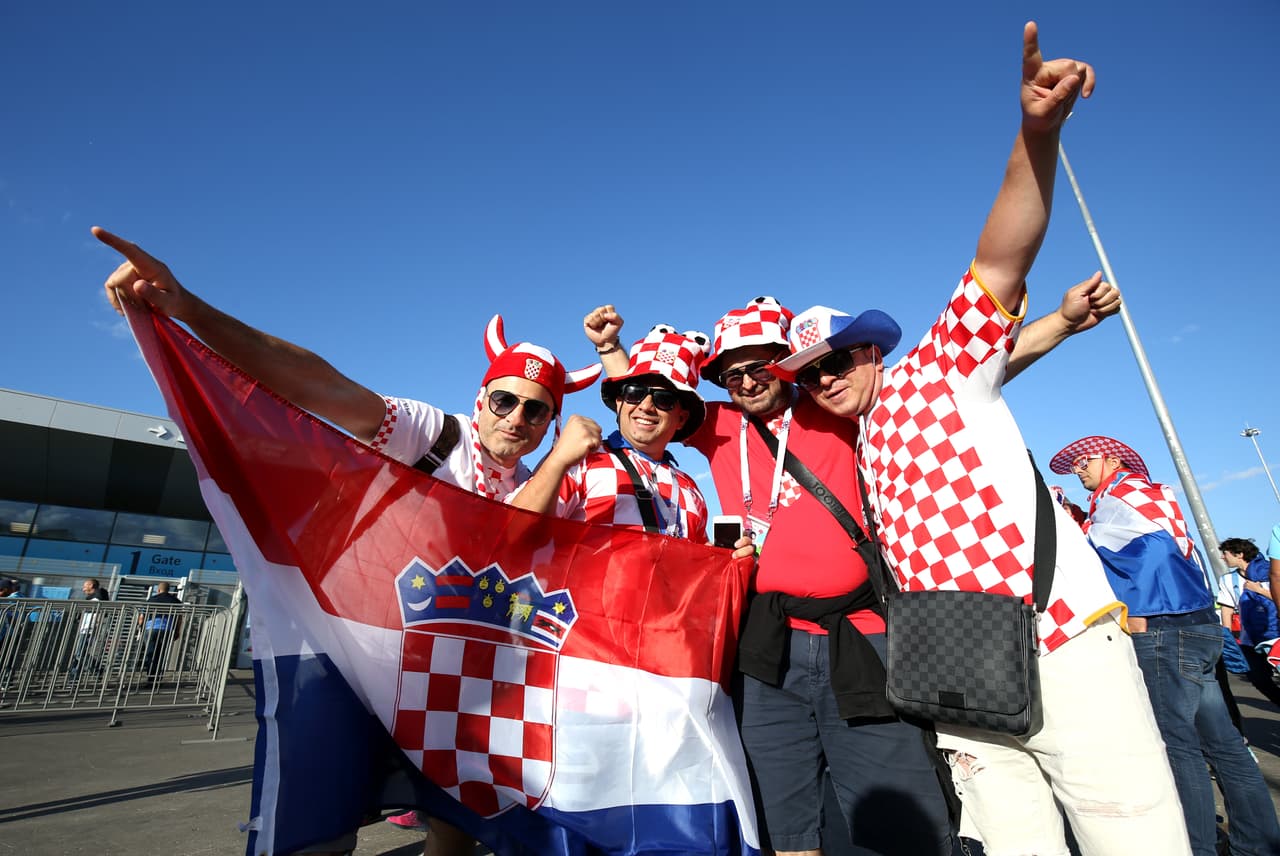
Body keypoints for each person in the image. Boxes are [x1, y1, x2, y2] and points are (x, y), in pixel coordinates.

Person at [766, 23, 1192, 855]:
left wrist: (1037, 132)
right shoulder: (858, 436)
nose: (824, 380)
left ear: (871, 349)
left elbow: (1001, 257)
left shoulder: (937, 368)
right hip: (957, 669)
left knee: (1136, 842)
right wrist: (1061, 328)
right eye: (809, 374)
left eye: (837, 359)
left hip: (1058, 644)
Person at [94, 226, 601, 856]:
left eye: (536, 411)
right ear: (481, 398)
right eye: (505, 400)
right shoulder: (432, 433)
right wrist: (186, 307)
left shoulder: (537, 482)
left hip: (452, 679)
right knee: (320, 824)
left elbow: (521, 544)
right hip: (357, 654)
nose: (517, 420)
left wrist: (560, 459)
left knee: (456, 832)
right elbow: (318, 385)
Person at [1050, 436, 1280, 854]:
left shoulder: (1122, 493)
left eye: (1084, 461)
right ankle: (1259, 845)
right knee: (1224, 745)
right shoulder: (1138, 494)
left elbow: (1150, 550)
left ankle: (1195, 846)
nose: (1077, 469)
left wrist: (1137, 610)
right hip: (1195, 624)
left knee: (1179, 747)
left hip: (1162, 628)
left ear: (1112, 459)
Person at [1219, 538, 1280, 706]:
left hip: (1275, 634)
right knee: (1257, 678)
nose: (1223, 558)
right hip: (1249, 639)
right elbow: (1227, 607)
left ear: (1239, 554)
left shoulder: (1270, 572)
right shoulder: (1227, 580)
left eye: (1225, 554)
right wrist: (1227, 634)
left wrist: (1259, 590)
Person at [69, 578, 111, 682]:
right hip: (85, 629)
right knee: (79, 653)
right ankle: (74, 678)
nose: (83, 588)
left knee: (79, 654)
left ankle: (95, 670)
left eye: (85, 585)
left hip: (89, 629)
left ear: (91, 585)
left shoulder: (96, 599)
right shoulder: (93, 598)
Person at [139, 581, 182, 683]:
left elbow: (141, 617)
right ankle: (157, 679)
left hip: (151, 628)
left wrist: (141, 628)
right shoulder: (175, 601)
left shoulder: (151, 600)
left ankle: (150, 678)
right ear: (169, 590)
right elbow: (179, 618)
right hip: (167, 629)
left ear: (158, 590)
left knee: (150, 654)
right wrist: (177, 631)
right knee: (161, 654)